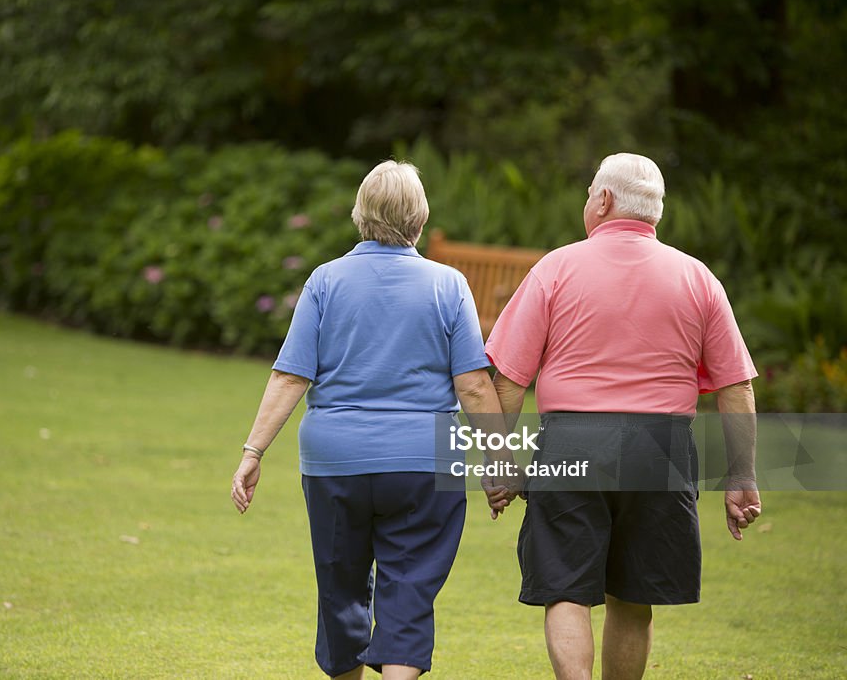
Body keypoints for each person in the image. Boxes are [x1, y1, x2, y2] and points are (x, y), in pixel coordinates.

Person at [231, 160, 520, 680]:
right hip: (425, 463)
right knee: (408, 585)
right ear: (420, 216)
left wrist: (253, 452)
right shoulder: (447, 285)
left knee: (340, 584)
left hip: (335, 462)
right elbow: (474, 385)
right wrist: (500, 460)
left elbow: (290, 378)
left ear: (359, 213)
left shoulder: (325, 281)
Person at [482, 153, 762, 680]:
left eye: (589, 192)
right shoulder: (698, 277)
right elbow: (735, 386)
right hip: (662, 447)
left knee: (564, 588)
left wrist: (500, 461)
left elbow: (509, 381)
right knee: (634, 596)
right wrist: (742, 475)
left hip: (570, 442)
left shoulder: (556, 267)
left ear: (604, 201)